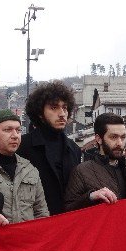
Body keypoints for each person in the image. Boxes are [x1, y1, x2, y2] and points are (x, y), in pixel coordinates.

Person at [16, 81, 81, 215]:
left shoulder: (74, 149)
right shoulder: (23, 146)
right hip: (35, 222)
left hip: (68, 222)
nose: (62, 113)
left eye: (65, 108)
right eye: (54, 108)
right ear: (40, 113)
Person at [0, 110, 49, 223]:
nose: (15, 136)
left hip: (26, 238)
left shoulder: (29, 169)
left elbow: (41, 213)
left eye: (18, 130)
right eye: (8, 130)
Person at [64, 113, 126, 210]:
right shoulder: (82, 171)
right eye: (113, 137)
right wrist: (90, 197)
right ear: (99, 139)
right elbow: (68, 209)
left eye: (123, 137)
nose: (120, 143)